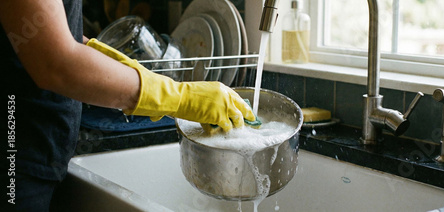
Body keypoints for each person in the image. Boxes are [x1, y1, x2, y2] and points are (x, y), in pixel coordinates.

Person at [0, 1, 255, 211]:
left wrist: (110, 59)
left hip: (37, 151)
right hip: (16, 155)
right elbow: (55, 62)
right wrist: (180, 97)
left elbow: (54, 36)